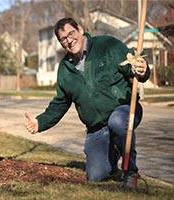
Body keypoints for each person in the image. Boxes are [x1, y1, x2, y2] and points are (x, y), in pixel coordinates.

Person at [25, 18, 150, 189]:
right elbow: (60, 102)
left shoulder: (108, 46)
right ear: (60, 43)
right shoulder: (65, 70)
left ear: (81, 30)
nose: (69, 40)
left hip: (124, 110)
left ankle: (131, 172)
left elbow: (134, 68)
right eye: (63, 39)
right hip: (97, 127)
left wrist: (142, 70)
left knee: (118, 122)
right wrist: (40, 122)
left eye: (71, 33)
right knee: (96, 176)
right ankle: (112, 154)